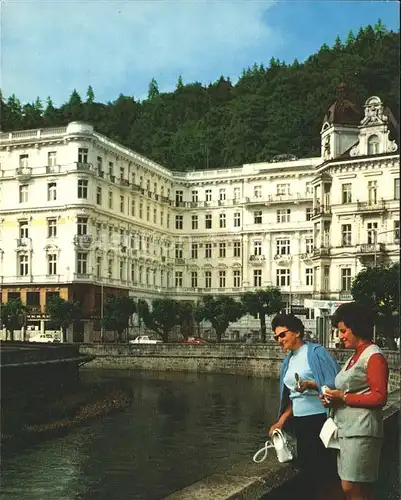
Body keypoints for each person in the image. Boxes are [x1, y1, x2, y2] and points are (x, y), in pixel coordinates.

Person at [268, 313, 341, 500]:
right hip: (300, 423)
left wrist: (310, 384)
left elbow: (336, 384)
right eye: (276, 337)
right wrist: (281, 420)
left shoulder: (316, 353)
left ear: (297, 332)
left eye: (282, 335)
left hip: (320, 421)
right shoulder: (289, 360)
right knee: (309, 473)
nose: (279, 340)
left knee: (324, 474)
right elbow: (293, 398)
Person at [322, 302, 389, 500]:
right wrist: (332, 399)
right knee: (353, 487)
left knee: (352, 487)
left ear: (357, 327)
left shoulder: (373, 355)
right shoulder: (355, 356)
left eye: (343, 331)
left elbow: (380, 396)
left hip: (361, 431)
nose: (340, 336)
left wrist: (342, 396)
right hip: (348, 430)